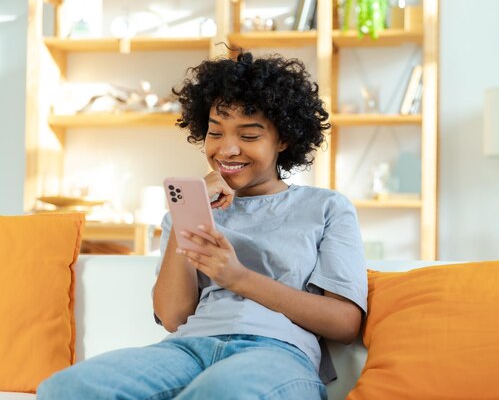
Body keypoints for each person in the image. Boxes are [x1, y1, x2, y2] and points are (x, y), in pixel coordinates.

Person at [38, 51, 368, 400]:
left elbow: (344, 323)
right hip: (187, 348)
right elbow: (173, 316)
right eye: (215, 133)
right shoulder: (186, 209)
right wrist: (187, 212)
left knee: (221, 392)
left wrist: (239, 278)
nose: (227, 149)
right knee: (65, 388)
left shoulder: (326, 207)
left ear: (283, 139)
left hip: (276, 352)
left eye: (250, 136)